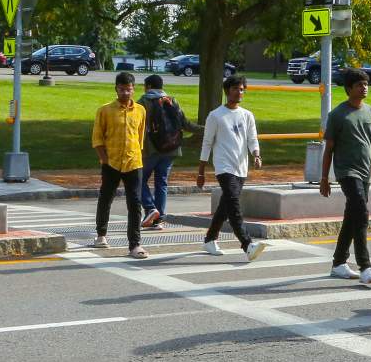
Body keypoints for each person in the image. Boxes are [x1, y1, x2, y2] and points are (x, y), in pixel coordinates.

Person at [320, 67, 371, 285]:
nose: (364, 87)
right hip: (347, 172)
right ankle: (365, 266)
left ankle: (338, 263)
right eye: (359, 84)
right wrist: (325, 178)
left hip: (366, 172)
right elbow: (328, 149)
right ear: (348, 89)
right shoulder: (337, 115)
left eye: (366, 84)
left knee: (352, 215)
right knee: (361, 212)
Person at [197, 75, 267, 262]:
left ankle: (210, 239)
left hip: (241, 166)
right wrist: (201, 171)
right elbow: (207, 143)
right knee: (234, 204)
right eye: (236, 88)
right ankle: (247, 244)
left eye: (242, 89)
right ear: (227, 91)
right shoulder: (215, 115)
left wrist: (256, 154)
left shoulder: (247, 115)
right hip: (223, 166)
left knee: (225, 206)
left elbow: (252, 138)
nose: (239, 92)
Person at [91, 72, 148, 258]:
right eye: (122, 89)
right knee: (106, 197)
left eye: (128, 89)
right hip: (112, 162)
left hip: (134, 162)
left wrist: (138, 154)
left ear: (133, 89)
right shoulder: (105, 110)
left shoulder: (140, 110)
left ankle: (135, 244)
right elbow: (97, 138)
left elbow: (140, 137)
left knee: (135, 203)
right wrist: (104, 159)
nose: (125, 93)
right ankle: (101, 234)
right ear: (116, 89)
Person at [137, 74, 187, 230]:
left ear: (149, 86)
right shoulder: (172, 100)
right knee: (161, 183)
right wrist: (206, 130)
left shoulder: (143, 102)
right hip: (171, 149)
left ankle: (151, 208)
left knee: (137, 180)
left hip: (151, 149)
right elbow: (184, 122)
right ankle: (159, 220)